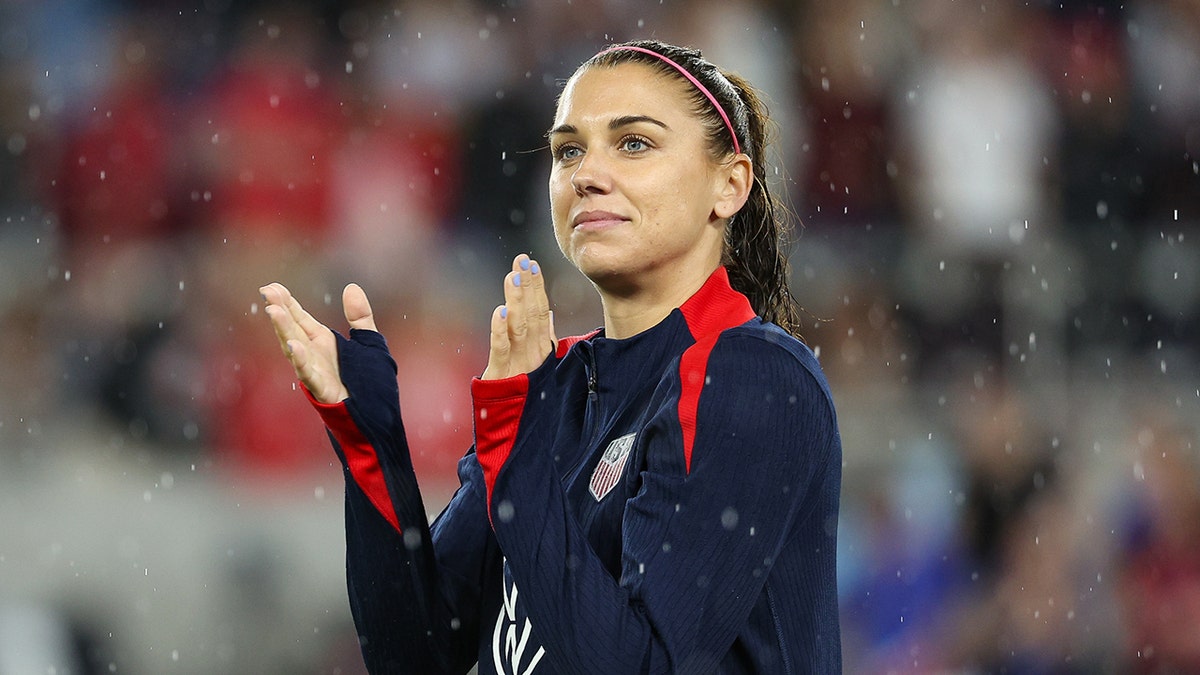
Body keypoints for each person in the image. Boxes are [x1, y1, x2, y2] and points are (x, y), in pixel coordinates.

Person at [260, 39, 842, 674]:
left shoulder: (752, 376)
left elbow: (638, 668)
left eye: (634, 143)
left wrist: (516, 441)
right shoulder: (554, 388)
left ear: (728, 185)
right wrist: (371, 443)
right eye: (569, 150)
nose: (587, 174)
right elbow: (416, 658)